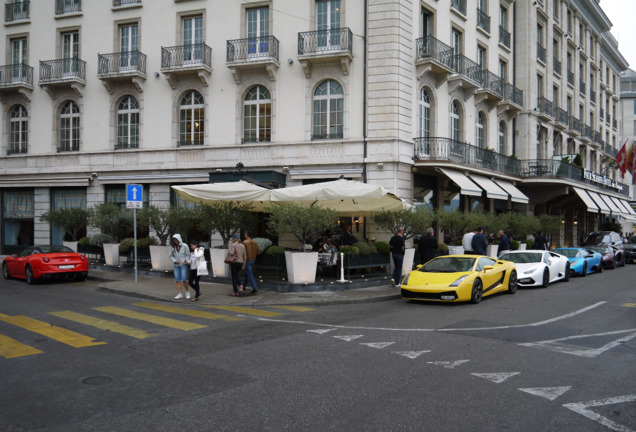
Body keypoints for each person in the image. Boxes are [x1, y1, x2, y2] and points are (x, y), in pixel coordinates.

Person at [169, 234, 191, 299]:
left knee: (184, 279)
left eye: (176, 239)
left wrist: (186, 260)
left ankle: (187, 292)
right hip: (176, 265)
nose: (175, 241)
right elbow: (170, 256)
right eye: (174, 239)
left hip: (183, 265)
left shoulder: (184, 246)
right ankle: (179, 293)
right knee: (177, 280)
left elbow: (188, 254)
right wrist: (175, 261)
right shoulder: (172, 247)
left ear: (179, 239)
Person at [242, 230, 261, 295]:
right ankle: (243, 286)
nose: (244, 235)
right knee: (247, 273)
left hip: (247, 260)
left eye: (245, 234)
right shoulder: (255, 242)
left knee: (249, 274)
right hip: (253, 260)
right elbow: (258, 252)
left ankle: (255, 288)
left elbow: (242, 252)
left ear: (247, 235)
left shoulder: (245, 242)